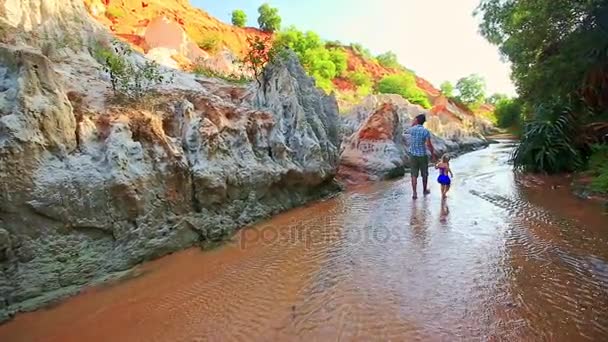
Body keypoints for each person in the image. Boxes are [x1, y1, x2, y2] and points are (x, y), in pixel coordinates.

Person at [406, 114, 435, 199]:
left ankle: (414, 193)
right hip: (422, 155)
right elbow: (429, 144)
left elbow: (406, 131)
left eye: (415, 119)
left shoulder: (411, 130)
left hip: (413, 155)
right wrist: (433, 154)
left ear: (417, 120)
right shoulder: (425, 131)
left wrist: (413, 124)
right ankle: (424, 190)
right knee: (424, 174)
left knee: (414, 174)